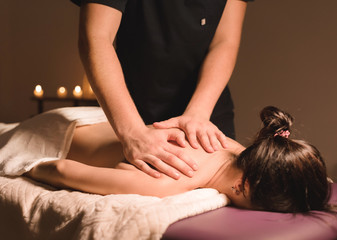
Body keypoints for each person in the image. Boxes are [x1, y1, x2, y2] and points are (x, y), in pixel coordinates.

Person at [70, 0, 253, 180]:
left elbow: (225, 42)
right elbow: (96, 37)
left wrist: (198, 113)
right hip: (132, 112)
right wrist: (133, 132)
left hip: (205, 116)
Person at [25, 106, 332, 213]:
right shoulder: (169, 179)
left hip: (95, 118)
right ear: (243, 187)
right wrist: (25, 167)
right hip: (52, 132)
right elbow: (59, 168)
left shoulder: (234, 147)